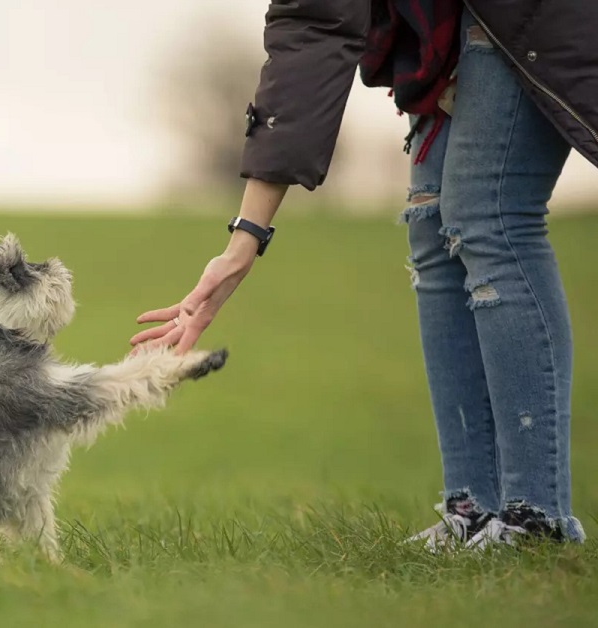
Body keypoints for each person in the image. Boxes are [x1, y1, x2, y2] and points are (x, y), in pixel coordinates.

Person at [130, 0, 597, 549]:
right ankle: (473, 509)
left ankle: (534, 520)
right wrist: (242, 243)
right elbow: (315, 25)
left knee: (488, 216)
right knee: (431, 221)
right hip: (454, 23)